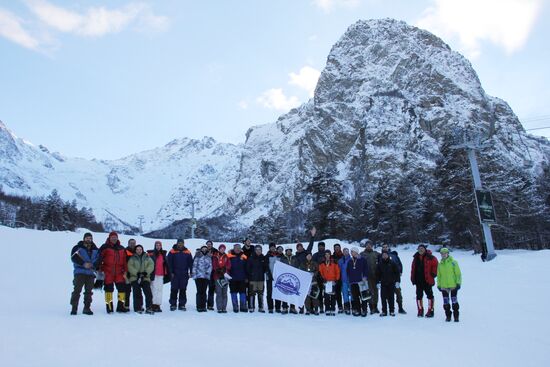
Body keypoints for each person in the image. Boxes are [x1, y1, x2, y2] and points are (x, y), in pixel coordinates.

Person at [70, 232, 100, 315]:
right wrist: (83, 264)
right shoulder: (77, 247)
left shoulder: (95, 249)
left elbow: (98, 259)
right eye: (87, 238)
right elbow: (73, 257)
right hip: (80, 272)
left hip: (90, 273)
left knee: (89, 292)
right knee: (77, 290)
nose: (89, 239)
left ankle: (87, 308)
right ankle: (74, 308)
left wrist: (93, 265)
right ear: (84, 238)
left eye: (90, 238)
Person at [99, 231, 128, 313]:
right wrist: (100, 269)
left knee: (122, 289)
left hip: (119, 272)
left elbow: (125, 261)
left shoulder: (122, 248)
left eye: (115, 237)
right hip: (108, 271)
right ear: (109, 238)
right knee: (108, 289)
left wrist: (126, 271)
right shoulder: (105, 247)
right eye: (112, 237)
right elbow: (99, 258)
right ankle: (109, 307)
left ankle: (121, 306)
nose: (114, 238)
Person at [411, 244, 438, 317]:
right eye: (419, 249)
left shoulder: (431, 257)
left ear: (425, 249)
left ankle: (430, 310)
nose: (421, 250)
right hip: (418, 280)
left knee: (429, 295)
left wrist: (434, 273)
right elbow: (413, 268)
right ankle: (420, 310)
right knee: (419, 296)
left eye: (422, 248)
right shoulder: (415, 257)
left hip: (427, 280)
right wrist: (412, 278)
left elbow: (435, 265)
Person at [167, 239, 193, 311]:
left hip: (184, 274)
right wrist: (171, 272)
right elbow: (169, 263)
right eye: (179, 243)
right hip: (174, 274)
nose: (180, 244)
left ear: (183, 244)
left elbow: (191, 263)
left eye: (182, 243)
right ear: (177, 243)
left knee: (183, 290)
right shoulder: (172, 251)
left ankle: (182, 304)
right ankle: (173, 304)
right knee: (174, 289)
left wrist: (191, 272)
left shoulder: (187, 252)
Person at [127, 244, 155, 314]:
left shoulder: (147, 257)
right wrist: (137, 273)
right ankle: (138, 307)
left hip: (145, 278)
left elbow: (151, 265)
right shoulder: (132, 258)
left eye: (140, 249)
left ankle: (149, 307)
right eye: (137, 249)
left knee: (148, 292)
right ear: (135, 250)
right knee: (137, 292)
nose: (139, 251)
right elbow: (130, 266)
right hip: (135, 278)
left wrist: (146, 272)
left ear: (142, 250)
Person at [437, 248, 462, 322]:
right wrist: (439, 285)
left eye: (445, 253)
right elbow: (439, 276)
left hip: (453, 285)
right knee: (446, 302)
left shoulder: (453, 262)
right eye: (442, 253)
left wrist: (458, 283)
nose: (443, 255)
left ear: (448, 254)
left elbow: (458, 274)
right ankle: (448, 316)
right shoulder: (440, 264)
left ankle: (456, 316)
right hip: (444, 286)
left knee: (454, 301)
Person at [380, 244, 406, 314]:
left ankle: (400, 307)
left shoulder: (394, 255)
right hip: (385, 280)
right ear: (382, 248)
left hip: (394, 279)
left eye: (386, 247)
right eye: (383, 247)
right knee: (387, 295)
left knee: (398, 293)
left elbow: (399, 264)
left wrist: (400, 272)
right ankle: (390, 309)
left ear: (388, 248)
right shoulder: (379, 256)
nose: (385, 248)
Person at [147, 241, 170, 312]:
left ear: (161, 246)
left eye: (159, 245)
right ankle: (153, 304)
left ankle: (158, 305)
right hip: (153, 274)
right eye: (157, 245)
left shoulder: (163, 254)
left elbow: (166, 264)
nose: (158, 246)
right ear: (155, 246)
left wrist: (168, 273)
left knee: (159, 290)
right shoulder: (151, 254)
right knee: (153, 289)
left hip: (161, 275)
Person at [376, 250, 400, 317]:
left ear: (388, 255)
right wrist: (378, 282)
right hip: (383, 283)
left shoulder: (392, 263)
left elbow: (397, 273)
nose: (384, 256)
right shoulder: (380, 264)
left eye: (385, 255)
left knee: (391, 297)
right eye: (383, 255)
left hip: (391, 283)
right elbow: (377, 274)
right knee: (383, 298)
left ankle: (391, 310)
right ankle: (384, 311)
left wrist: (397, 281)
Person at [347, 248, 369, 317]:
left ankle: (364, 310)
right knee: (355, 297)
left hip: (361, 281)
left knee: (363, 296)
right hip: (353, 282)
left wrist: (365, 276)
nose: (351, 253)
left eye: (352, 252)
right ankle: (358, 310)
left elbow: (366, 269)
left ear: (356, 252)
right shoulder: (350, 261)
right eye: (351, 252)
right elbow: (348, 270)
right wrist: (350, 277)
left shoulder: (362, 259)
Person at [227, 244, 248, 312]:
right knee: (233, 292)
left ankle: (243, 306)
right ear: (233, 248)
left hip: (242, 278)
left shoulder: (244, 256)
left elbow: (247, 268)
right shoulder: (229, 256)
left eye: (239, 248)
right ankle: (235, 306)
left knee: (243, 293)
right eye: (236, 248)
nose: (237, 249)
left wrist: (247, 277)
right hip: (232, 278)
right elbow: (226, 267)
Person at [319, 250, 340, 316]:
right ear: (324, 256)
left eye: (328, 254)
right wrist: (323, 278)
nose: (327, 255)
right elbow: (320, 272)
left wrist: (337, 279)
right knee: (326, 296)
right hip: (326, 282)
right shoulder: (322, 264)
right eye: (326, 254)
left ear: (330, 255)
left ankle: (333, 309)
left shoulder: (334, 263)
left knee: (333, 296)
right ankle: (327, 309)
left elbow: (337, 271)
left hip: (333, 282)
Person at [361, 240, 380, 314]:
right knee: (369, 291)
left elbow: (385, 256)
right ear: (365, 246)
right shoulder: (362, 254)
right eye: (367, 245)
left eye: (370, 245)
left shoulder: (376, 254)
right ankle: (371, 307)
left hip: (375, 276)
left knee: (375, 292)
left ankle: (375, 306)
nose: (368, 246)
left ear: (372, 246)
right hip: (367, 277)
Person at [246, 245, 267, 313]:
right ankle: (251, 307)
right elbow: (248, 268)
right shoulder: (251, 258)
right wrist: (250, 275)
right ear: (255, 250)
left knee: (260, 293)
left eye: (259, 249)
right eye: (257, 249)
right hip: (253, 279)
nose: (258, 251)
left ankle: (261, 307)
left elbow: (265, 268)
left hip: (261, 278)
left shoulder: (263, 258)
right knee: (252, 294)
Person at [192, 245, 213, 312]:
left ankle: (203, 306)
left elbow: (210, 266)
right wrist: (194, 275)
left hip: (205, 277)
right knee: (199, 291)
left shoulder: (208, 257)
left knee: (204, 292)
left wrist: (208, 272)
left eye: (205, 249)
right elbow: (194, 266)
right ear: (201, 250)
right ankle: (198, 306)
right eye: (203, 249)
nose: (204, 250)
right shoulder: (197, 257)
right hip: (198, 277)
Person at [212, 244, 231, 313]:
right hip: (217, 276)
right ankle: (219, 308)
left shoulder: (226, 256)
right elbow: (214, 265)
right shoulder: (215, 256)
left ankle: (224, 308)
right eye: (221, 248)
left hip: (225, 276)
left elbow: (229, 265)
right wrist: (218, 269)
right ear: (219, 249)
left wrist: (225, 268)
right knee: (219, 292)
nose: (222, 249)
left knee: (224, 293)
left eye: (223, 249)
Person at [280, 246, 298, 314]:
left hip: (293, 278)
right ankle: (284, 307)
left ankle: (292, 308)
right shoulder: (283, 258)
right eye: (287, 250)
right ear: (286, 251)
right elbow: (280, 267)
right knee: (284, 293)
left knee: (292, 293)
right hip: (285, 278)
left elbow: (297, 266)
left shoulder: (294, 258)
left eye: (290, 250)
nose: (289, 252)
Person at [265, 243, 282, 313]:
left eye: (273, 247)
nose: (272, 248)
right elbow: (266, 266)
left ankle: (278, 307)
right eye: (271, 247)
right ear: (269, 248)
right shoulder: (267, 256)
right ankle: (270, 307)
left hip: (278, 278)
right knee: (269, 292)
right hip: (269, 277)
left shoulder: (279, 255)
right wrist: (269, 275)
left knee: (278, 292)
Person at [124, 238, 137, 310]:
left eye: (134, 243)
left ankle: (137, 306)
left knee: (136, 291)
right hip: (127, 274)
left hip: (135, 274)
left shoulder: (138, 251)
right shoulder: (125, 251)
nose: (132, 244)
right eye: (131, 243)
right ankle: (126, 305)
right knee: (127, 291)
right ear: (128, 244)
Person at [338, 247, 352, 315]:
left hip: (351, 280)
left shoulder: (352, 259)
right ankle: (347, 307)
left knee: (352, 294)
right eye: (344, 251)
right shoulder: (340, 261)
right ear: (343, 252)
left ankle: (354, 306)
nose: (346, 252)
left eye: (347, 251)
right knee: (345, 294)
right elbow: (339, 270)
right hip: (343, 280)